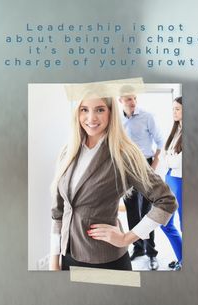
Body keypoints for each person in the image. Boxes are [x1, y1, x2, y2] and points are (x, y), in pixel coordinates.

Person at [49, 92, 177, 271]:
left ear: (110, 112)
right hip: (68, 258)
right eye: (84, 109)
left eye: (99, 110)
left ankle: (148, 252)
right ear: (77, 113)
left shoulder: (124, 154)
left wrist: (128, 237)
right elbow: (58, 213)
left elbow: (166, 201)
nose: (91, 118)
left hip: (106, 261)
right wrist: (54, 261)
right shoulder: (67, 151)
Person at [119, 90, 163, 270]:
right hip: (126, 166)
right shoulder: (117, 120)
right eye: (129, 98)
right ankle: (138, 248)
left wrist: (152, 168)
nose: (133, 101)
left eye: (135, 98)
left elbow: (160, 143)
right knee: (131, 210)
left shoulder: (147, 116)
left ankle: (151, 252)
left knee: (147, 211)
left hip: (145, 165)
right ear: (120, 100)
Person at [160, 96, 183, 271]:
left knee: (185, 224)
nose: (174, 112)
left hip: (181, 181)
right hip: (170, 178)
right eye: (173, 109)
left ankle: (185, 262)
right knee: (164, 223)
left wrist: (170, 160)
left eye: (177, 109)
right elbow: (168, 159)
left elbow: (177, 162)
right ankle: (183, 258)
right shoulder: (176, 130)